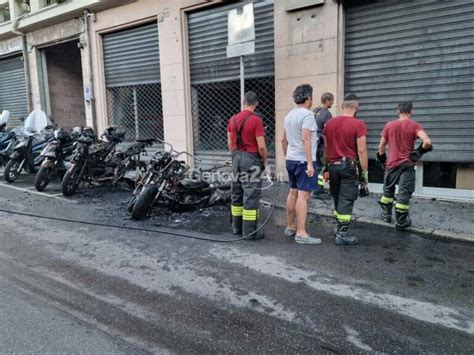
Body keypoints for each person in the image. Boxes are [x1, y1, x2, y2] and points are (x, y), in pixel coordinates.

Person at [377, 101, 432, 231]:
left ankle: (386, 215)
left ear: (398, 111)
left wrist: (383, 160)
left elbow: (381, 147)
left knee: (387, 191)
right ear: (411, 112)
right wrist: (419, 152)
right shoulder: (415, 125)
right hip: (407, 165)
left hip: (391, 164)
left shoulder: (389, 125)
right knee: (404, 193)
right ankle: (401, 222)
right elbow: (427, 141)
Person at [323, 93, 368, 245]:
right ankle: (342, 234)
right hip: (348, 166)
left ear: (342, 106)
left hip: (333, 165)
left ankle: (339, 227)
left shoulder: (329, 123)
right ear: (357, 107)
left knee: (336, 196)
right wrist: (364, 173)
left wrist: (325, 167)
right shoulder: (358, 124)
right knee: (346, 199)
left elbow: (326, 147)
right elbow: (361, 151)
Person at [281, 84, 321, 245]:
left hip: (291, 159)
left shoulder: (289, 115)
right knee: (303, 196)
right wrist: (310, 164)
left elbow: (283, 140)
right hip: (303, 161)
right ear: (309, 97)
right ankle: (301, 233)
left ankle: (290, 227)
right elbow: (306, 139)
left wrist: (287, 157)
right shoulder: (307, 115)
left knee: (293, 192)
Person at [227, 91, 267, 239]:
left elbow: (230, 143)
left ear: (243, 102)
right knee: (250, 195)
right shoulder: (256, 120)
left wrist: (235, 156)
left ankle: (236, 228)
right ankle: (250, 232)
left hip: (236, 157)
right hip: (251, 159)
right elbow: (261, 146)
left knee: (236, 193)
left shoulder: (232, 119)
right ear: (256, 103)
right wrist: (264, 161)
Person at [313, 92, 334, 200]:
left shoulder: (315, 111)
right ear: (327, 101)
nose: (333, 103)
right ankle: (318, 190)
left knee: (316, 165)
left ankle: (316, 188)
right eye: (332, 101)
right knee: (321, 167)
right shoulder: (326, 114)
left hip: (313, 142)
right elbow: (329, 131)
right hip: (321, 143)